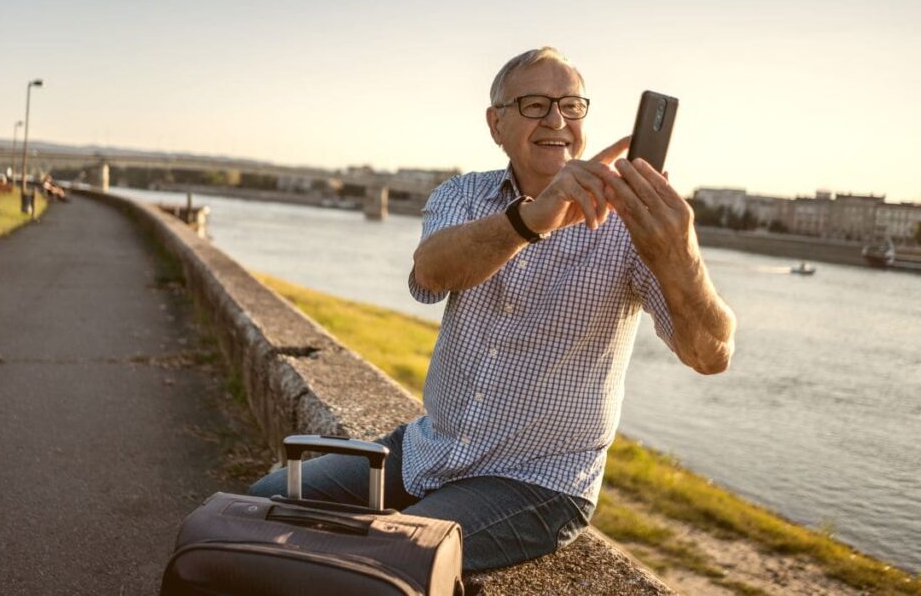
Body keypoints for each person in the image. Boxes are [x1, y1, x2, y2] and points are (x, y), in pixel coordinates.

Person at [247, 46, 736, 573]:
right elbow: (431, 274)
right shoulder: (463, 194)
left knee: (392, 561)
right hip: (428, 449)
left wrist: (679, 253)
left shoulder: (625, 227)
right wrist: (534, 219)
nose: (556, 120)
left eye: (572, 106)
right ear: (495, 123)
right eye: (534, 104)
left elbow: (709, 355)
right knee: (262, 506)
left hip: (536, 482)